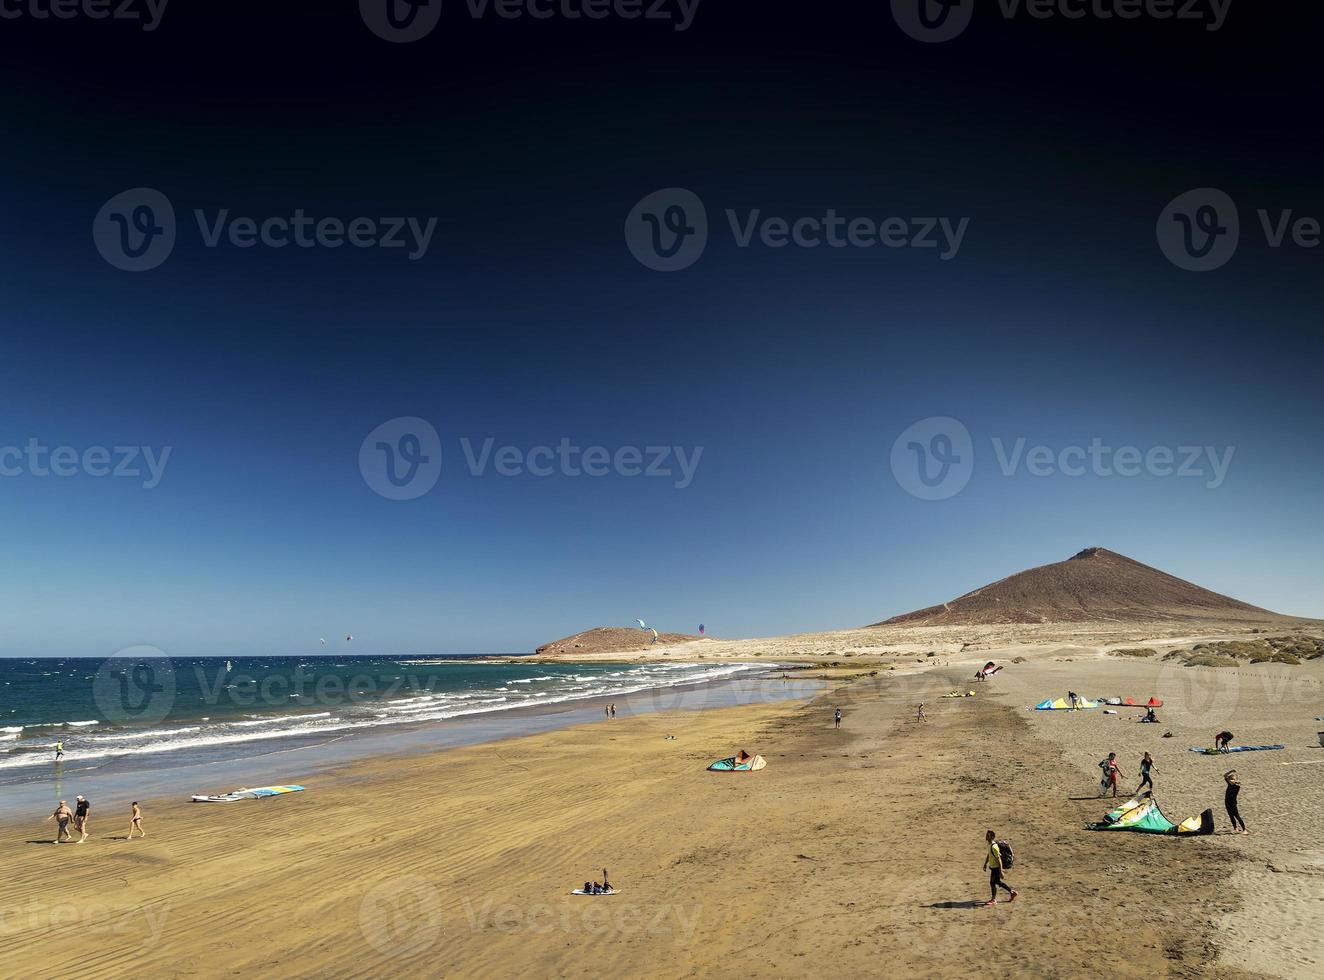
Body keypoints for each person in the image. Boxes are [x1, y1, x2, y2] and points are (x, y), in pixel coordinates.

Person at [982, 830, 1017, 906]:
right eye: (986, 835)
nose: (986, 837)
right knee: (998, 882)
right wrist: (985, 864)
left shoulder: (994, 847)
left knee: (992, 883)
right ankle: (1012, 892)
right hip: (993, 867)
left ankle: (993, 900)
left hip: (996, 868)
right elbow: (989, 855)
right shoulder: (990, 845)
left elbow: (999, 859)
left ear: (992, 837)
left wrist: (1001, 871)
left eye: (988, 835)